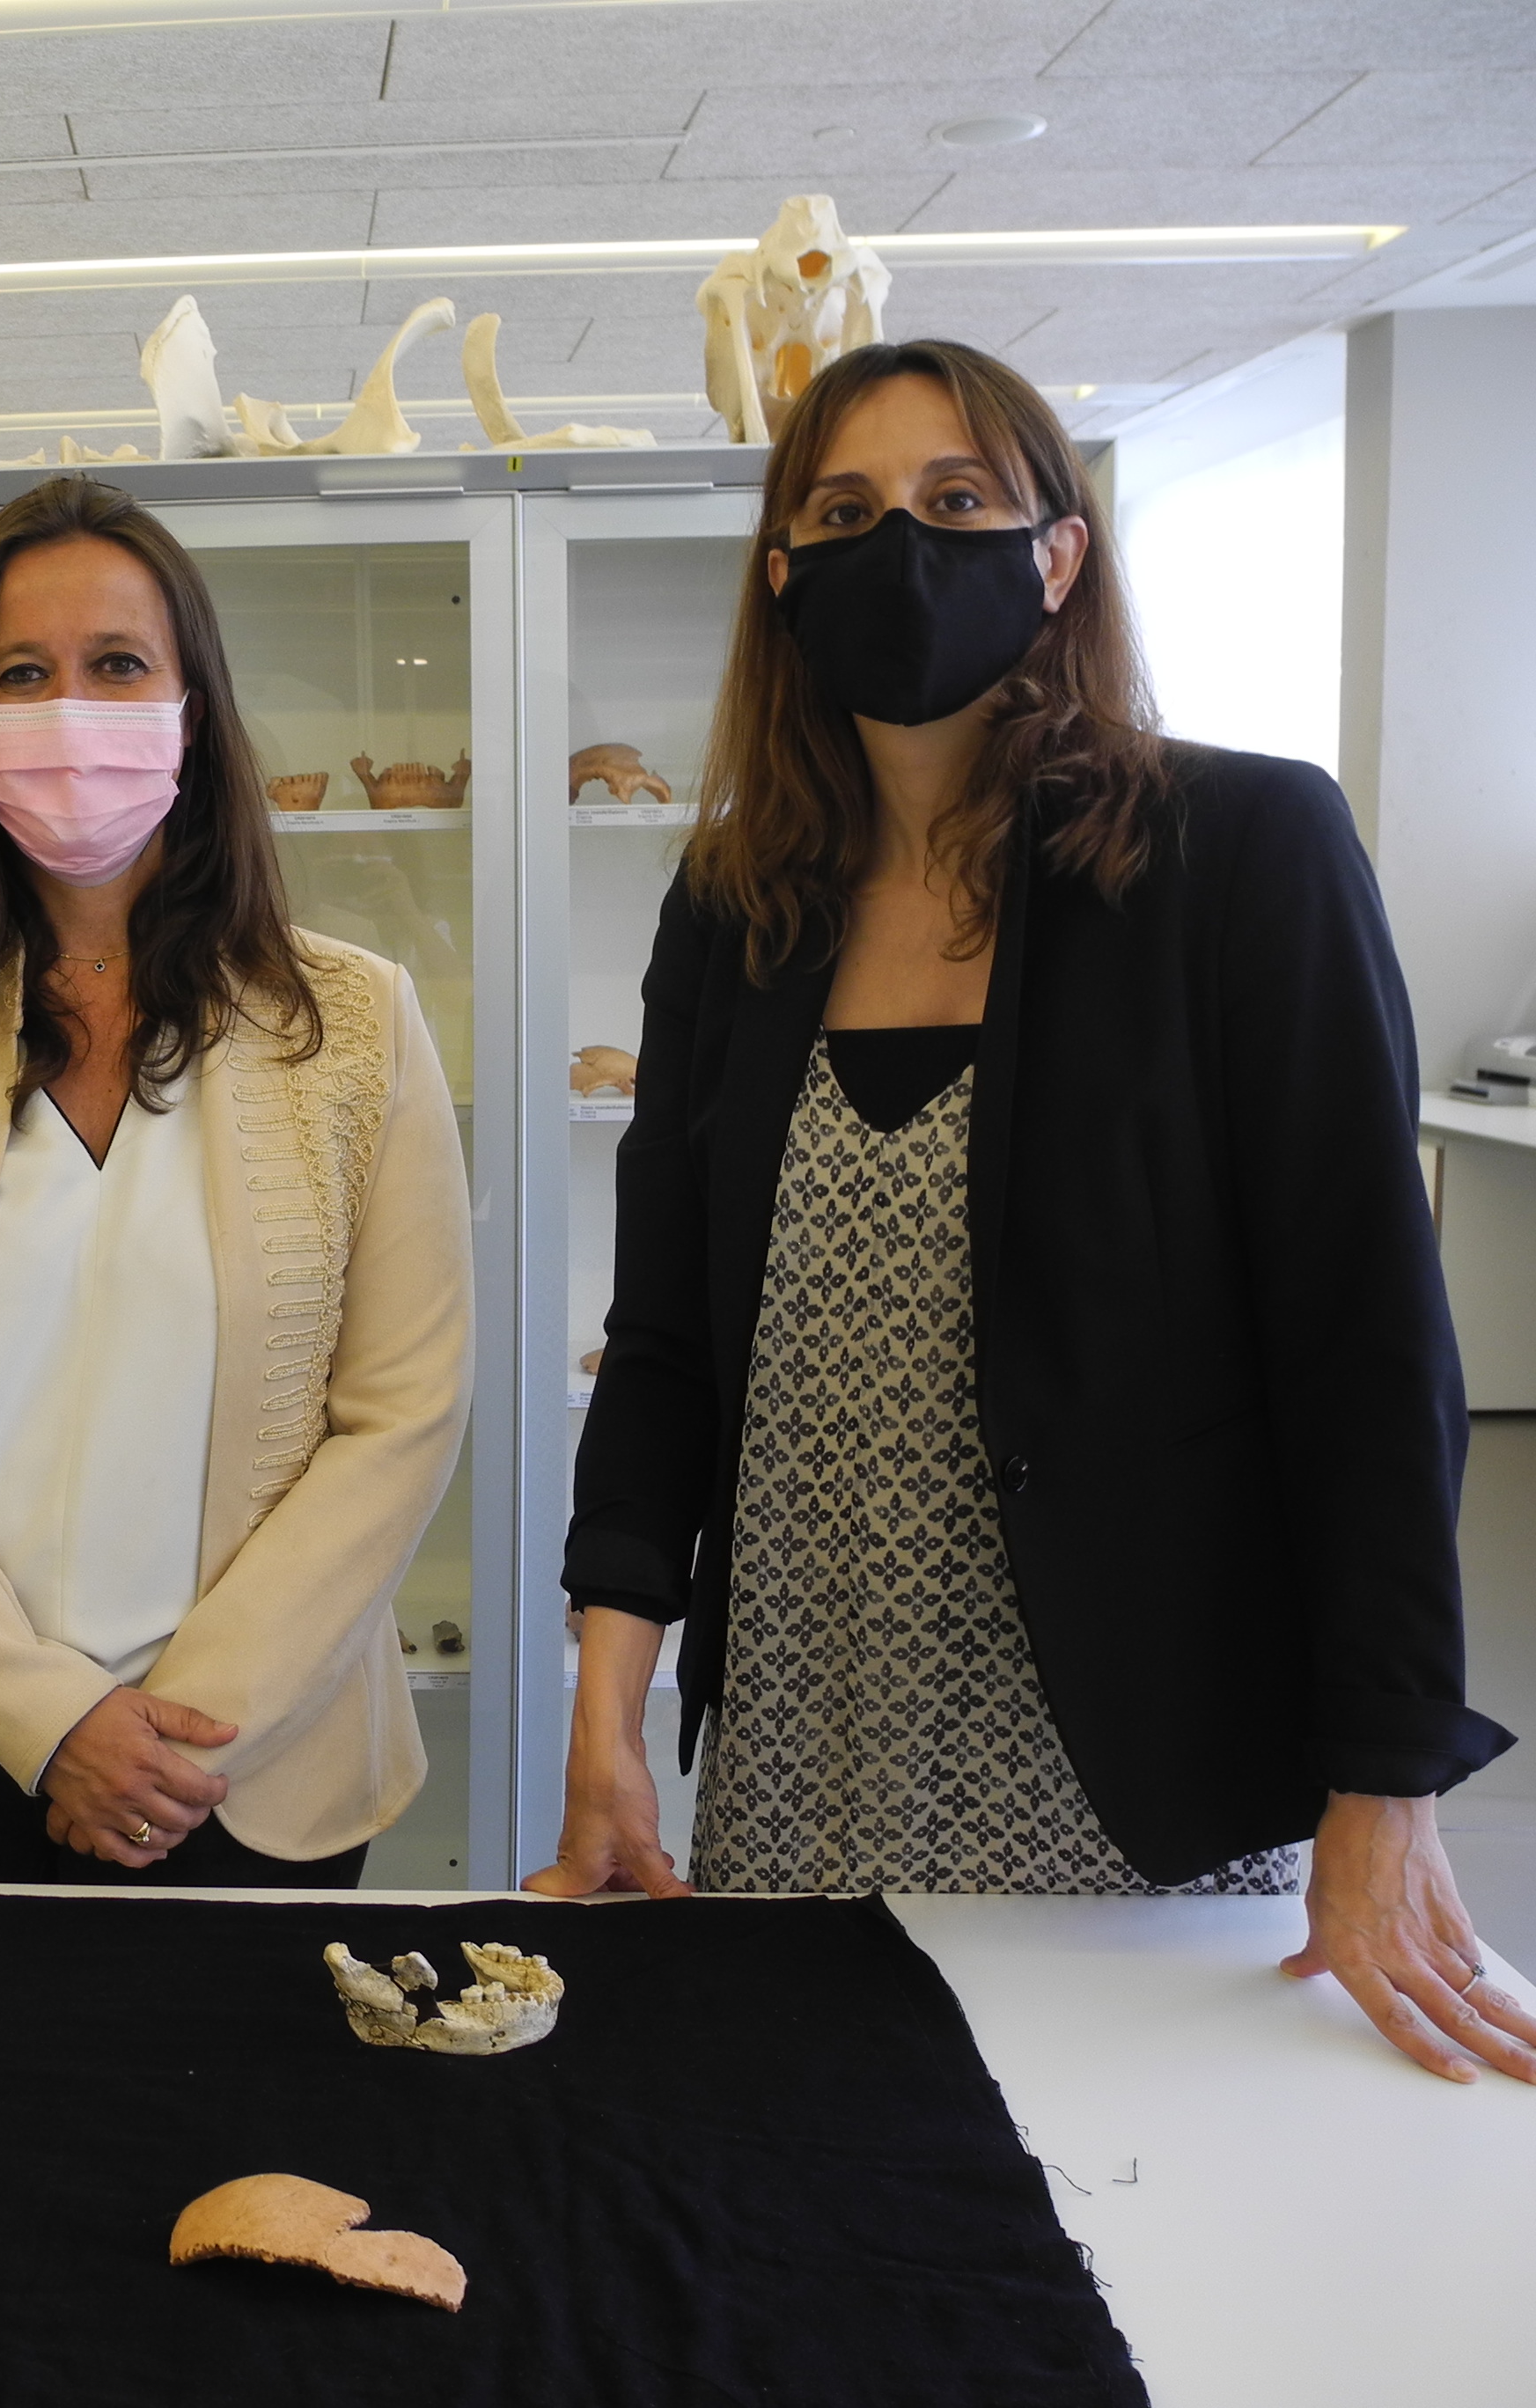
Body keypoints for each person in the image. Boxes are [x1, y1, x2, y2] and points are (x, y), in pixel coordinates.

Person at [526, 337, 1534, 2086]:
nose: (903, 543)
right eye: (846, 511)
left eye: (961, 501)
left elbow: (1368, 1348)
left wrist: (1386, 1778)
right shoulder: (736, 911)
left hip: (1138, 1758)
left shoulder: (1242, 855)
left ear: (1056, 554)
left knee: (1132, 2234)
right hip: (806, 1736)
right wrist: (602, 1718)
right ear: (784, 577)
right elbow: (673, 1342)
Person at [0, 475, 472, 1888]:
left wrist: (176, 1733)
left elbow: (401, 1415)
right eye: (23, 673)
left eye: (118, 666)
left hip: (242, 1765)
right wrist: (52, 1720)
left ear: (192, 711)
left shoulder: (355, 1022)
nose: (70, 710)